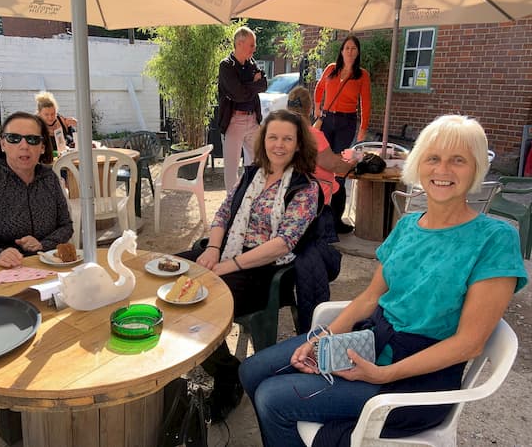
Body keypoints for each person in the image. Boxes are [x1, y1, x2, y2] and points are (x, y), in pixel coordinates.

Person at [239, 114, 528, 447]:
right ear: (420, 164)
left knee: (273, 399)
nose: (443, 170)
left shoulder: (494, 239)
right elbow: (370, 297)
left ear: (476, 168)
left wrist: (382, 374)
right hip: (372, 341)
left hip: (417, 379)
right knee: (252, 372)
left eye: (458, 160)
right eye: (433, 158)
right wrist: (322, 336)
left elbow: (469, 343)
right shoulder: (408, 226)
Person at [177, 109, 321, 422]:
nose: (279, 145)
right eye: (273, 137)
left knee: (199, 302)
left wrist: (229, 267)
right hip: (227, 250)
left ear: (298, 145)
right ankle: (229, 368)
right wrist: (214, 249)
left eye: (287, 138)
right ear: (263, 141)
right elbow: (223, 214)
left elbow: (283, 244)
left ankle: (227, 380)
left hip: (264, 270)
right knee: (169, 275)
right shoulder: (251, 173)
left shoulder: (305, 188)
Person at [0, 111, 74, 281]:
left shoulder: (49, 178)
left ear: (43, 146)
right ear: (3, 144)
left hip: (36, 265)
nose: (24, 146)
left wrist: (42, 245)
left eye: (32, 139)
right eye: (14, 138)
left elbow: (65, 225)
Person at [314, 35, 371, 233]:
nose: (349, 51)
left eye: (353, 48)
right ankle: (319, 215)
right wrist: (317, 108)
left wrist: (363, 128)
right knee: (321, 164)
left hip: (346, 122)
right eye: (346, 48)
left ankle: (335, 220)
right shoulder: (331, 69)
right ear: (341, 51)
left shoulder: (362, 75)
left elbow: (365, 103)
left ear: (357, 52)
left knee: (339, 169)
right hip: (328, 119)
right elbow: (319, 87)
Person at [287, 86, 356, 206]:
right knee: (339, 190)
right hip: (315, 196)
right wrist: (353, 164)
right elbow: (335, 165)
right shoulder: (313, 135)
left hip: (288, 191)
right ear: (309, 109)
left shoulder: (280, 132)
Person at [217, 26, 267, 192]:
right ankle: (231, 209)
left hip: (253, 120)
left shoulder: (252, 63)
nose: (255, 48)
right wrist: (253, 84)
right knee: (232, 170)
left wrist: (248, 86)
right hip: (234, 121)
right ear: (239, 44)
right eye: (252, 45)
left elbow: (264, 85)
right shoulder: (226, 66)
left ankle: (252, 200)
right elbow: (238, 94)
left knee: (258, 163)